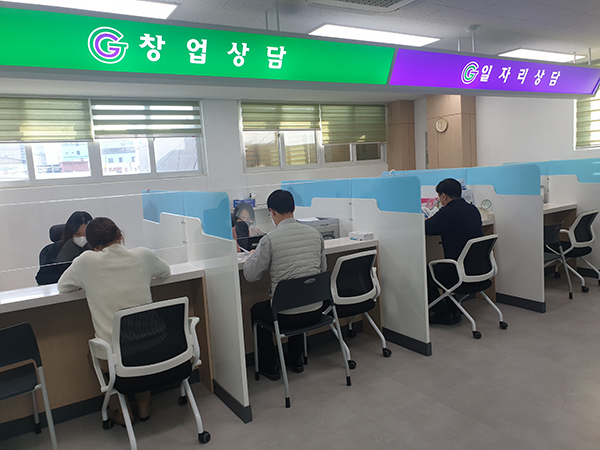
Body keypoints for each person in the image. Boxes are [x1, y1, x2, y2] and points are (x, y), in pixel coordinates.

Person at [57, 217, 171, 424]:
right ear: (120, 235)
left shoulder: (86, 262)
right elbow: (166, 272)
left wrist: (88, 282)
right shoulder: (143, 255)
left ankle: (120, 409)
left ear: (93, 245)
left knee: (93, 354)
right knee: (140, 342)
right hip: (155, 345)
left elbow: (63, 286)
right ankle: (144, 404)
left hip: (117, 355)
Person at [243, 190, 326, 381]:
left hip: (286, 317)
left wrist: (252, 256)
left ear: (272, 212)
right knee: (299, 296)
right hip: (316, 309)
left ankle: (270, 366)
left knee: (258, 310)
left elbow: (250, 275)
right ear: (294, 208)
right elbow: (322, 271)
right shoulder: (315, 234)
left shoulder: (269, 240)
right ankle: (296, 358)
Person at [425, 178, 483, 325]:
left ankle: (442, 312)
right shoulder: (473, 209)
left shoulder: (447, 212)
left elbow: (427, 228)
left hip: (457, 271)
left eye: (439, 196)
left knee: (425, 271)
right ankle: (452, 307)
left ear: (444, 196)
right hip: (479, 268)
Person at [36, 211, 93, 285]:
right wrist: (67, 278)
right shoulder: (56, 249)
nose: (82, 237)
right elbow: (41, 278)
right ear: (70, 232)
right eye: (77, 234)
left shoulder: (97, 248)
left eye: (85, 234)